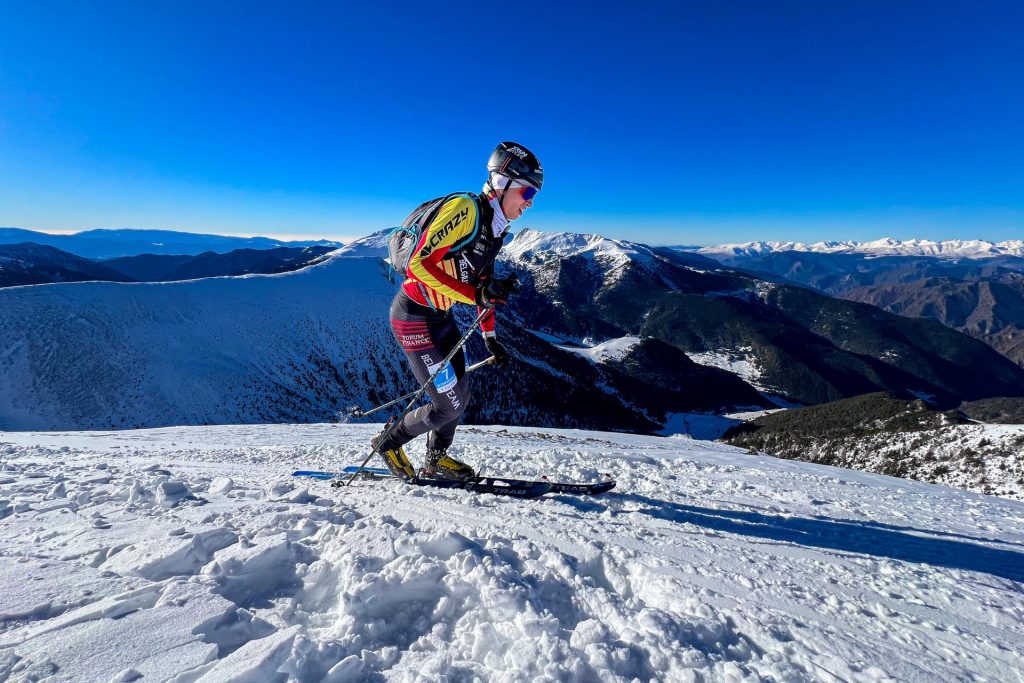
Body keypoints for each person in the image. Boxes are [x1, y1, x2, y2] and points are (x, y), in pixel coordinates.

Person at [373, 141, 543, 481]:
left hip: (439, 317)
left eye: (533, 196)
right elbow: (420, 264)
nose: (529, 203)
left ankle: (435, 459)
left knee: (460, 392)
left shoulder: (494, 232)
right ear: (503, 182)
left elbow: (486, 291)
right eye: (526, 192)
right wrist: (475, 294)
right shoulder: (466, 210)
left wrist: (491, 337)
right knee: (446, 403)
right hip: (413, 318)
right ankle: (388, 444)